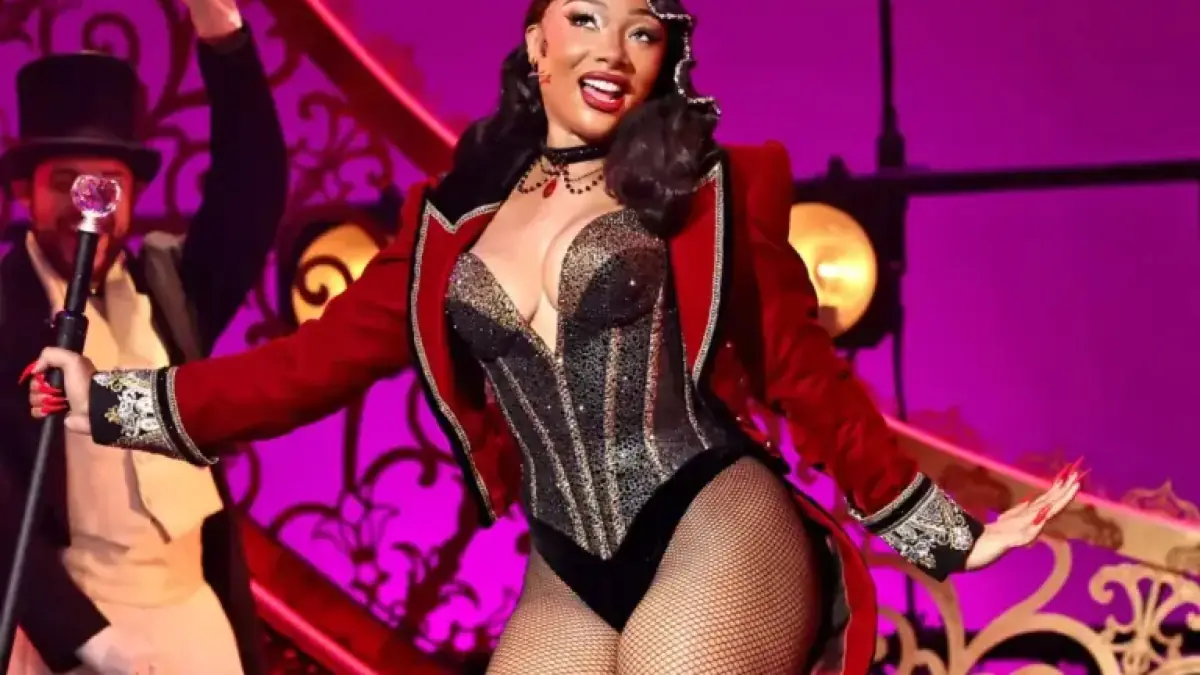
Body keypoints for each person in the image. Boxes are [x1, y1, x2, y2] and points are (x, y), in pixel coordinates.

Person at [27, 0, 1080, 673]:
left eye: (642, 30)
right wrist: (103, 398)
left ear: (665, 56)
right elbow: (308, 367)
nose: (612, 50)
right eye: (585, 18)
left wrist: (947, 537)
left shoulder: (712, 192)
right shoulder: (445, 226)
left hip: (712, 518)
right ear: (536, 41)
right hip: (566, 559)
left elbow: (806, 374)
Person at [1, 0, 287, 672]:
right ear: (24, 193)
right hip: (71, 629)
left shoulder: (170, 289)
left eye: (106, 186)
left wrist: (223, 37)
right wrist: (90, 639)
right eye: (64, 183)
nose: (86, 207)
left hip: (192, 617)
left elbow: (251, 193)